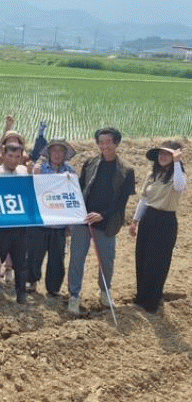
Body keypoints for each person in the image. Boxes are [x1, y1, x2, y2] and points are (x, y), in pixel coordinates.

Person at [67, 127, 135, 316]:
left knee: (107, 259)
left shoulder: (126, 170)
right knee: (77, 258)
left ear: (116, 143)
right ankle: (74, 295)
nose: (104, 146)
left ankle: (105, 292)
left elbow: (121, 201)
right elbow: (80, 187)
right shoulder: (90, 163)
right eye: (100, 142)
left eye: (108, 142)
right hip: (84, 219)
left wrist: (102, 215)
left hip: (107, 221)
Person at [130, 141, 186, 313]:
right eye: (161, 154)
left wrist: (177, 162)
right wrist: (135, 220)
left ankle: (152, 301)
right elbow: (144, 199)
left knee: (157, 262)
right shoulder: (152, 175)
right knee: (142, 258)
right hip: (148, 219)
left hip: (165, 221)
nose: (163, 157)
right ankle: (141, 297)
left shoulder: (178, 175)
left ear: (175, 157)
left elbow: (180, 186)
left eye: (168, 154)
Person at [28, 139, 77, 296]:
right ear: (49, 153)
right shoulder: (40, 169)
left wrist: (70, 223)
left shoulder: (70, 172)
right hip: (40, 220)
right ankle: (32, 281)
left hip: (60, 222)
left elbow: (73, 197)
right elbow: (32, 190)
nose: (57, 154)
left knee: (57, 257)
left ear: (65, 154)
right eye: (54, 150)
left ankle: (54, 288)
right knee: (35, 254)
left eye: (61, 151)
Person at [0, 141, 30, 304]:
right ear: (3, 155)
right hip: (0, 225)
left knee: (21, 261)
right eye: (10, 156)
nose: (13, 160)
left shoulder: (24, 173)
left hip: (20, 225)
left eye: (17, 156)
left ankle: (21, 293)